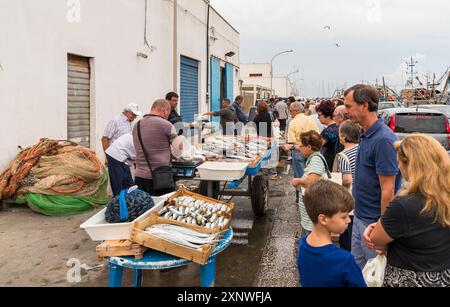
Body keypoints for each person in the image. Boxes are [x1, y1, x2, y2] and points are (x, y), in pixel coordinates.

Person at [364, 134, 450, 287]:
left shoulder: (404, 205)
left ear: (412, 165)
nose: (398, 167)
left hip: (407, 279)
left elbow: (376, 239)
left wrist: (378, 229)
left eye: (399, 163)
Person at [344, 84, 402, 269]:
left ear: (364, 106)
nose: (346, 112)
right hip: (360, 216)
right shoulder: (365, 133)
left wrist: (382, 230)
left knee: (373, 275)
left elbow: (388, 189)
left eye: (349, 106)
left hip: (373, 223)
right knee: (358, 273)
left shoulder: (383, 140)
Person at [298, 180, 366, 287]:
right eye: (344, 216)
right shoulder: (344, 260)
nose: (349, 220)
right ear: (323, 219)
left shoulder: (303, 244)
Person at [133, 99, 179, 196]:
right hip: (160, 178)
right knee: (161, 208)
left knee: (144, 207)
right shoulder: (166, 125)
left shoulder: (137, 125)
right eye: (169, 112)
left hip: (139, 176)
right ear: (165, 110)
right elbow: (179, 149)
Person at [291, 130, 328, 236]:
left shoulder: (316, 160)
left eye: (301, 146)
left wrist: (297, 180)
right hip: (310, 216)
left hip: (312, 220)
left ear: (309, 148)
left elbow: (311, 181)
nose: (299, 148)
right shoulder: (313, 158)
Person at [335, 120, 361, 252]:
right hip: (362, 195)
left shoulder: (343, 155)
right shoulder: (362, 149)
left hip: (350, 198)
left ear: (344, 138)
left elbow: (347, 179)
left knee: (348, 233)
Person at [253, 101, 278, 180]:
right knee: (271, 155)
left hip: (261, 138)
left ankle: (264, 172)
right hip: (270, 137)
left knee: (262, 155)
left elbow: (255, 128)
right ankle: (273, 173)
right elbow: (274, 121)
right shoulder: (269, 115)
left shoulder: (256, 117)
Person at [316, 100, 339, 170]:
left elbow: (316, 145)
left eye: (319, 115)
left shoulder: (329, 131)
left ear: (328, 116)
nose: (318, 117)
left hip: (329, 162)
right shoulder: (337, 127)